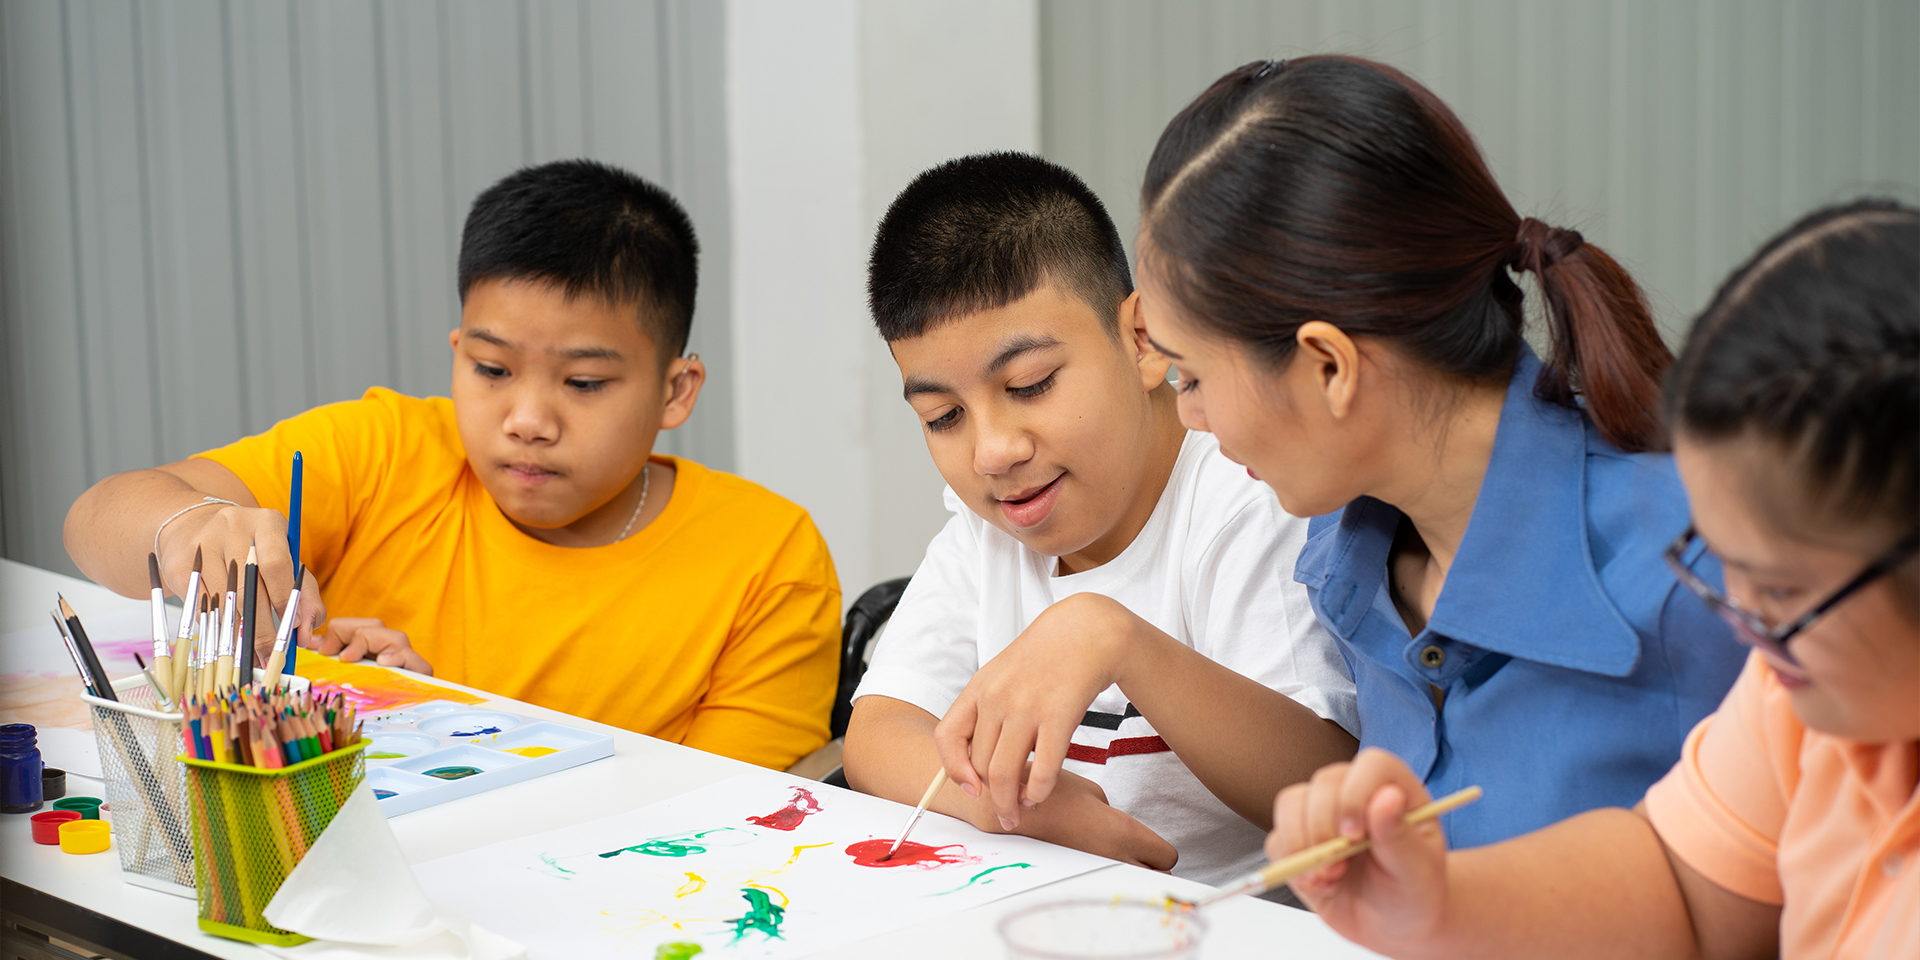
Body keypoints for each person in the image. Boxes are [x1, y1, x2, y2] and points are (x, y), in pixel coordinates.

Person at [1110, 55, 1750, 847]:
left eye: (1192, 374)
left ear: (1329, 367)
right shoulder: (1346, 562)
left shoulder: (1711, 571)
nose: (1189, 415)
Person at [1266, 199, 1917, 960]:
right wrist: (1436, 900)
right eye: (1719, 561)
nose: (1737, 615)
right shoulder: (1801, 698)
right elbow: (1681, 887)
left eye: (1779, 593)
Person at [63, 159, 841, 771]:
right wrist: (190, 528)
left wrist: (433, 721)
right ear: (457, 353)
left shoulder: (765, 558)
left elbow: (725, 823)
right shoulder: (386, 448)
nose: (527, 421)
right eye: (492, 370)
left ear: (676, 391)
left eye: (584, 383)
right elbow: (96, 518)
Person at [844, 152, 1358, 884]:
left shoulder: (1244, 492)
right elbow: (878, 732)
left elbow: (1324, 786)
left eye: (1031, 384)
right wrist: (1000, 805)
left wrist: (1116, 639)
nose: (992, 452)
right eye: (943, 416)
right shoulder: (983, 528)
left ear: (1142, 339)